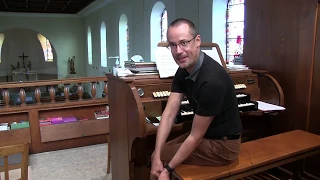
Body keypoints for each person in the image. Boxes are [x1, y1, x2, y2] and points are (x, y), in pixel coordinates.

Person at [150, 18, 243, 180]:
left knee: (164, 161)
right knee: (156, 155)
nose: (178, 51)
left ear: (197, 41)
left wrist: (167, 170)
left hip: (224, 146)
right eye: (173, 45)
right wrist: (157, 156)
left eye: (184, 42)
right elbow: (169, 114)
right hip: (208, 136)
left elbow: (195, 136)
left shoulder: (212, 82)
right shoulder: (184, 69)